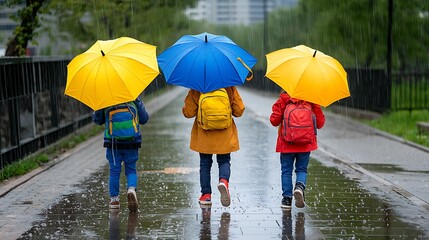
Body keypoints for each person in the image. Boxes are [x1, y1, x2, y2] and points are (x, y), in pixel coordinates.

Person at [182, 86, 245, 207]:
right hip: (224, 133)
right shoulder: (228, 85)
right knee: (224, 160)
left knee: (205, 164)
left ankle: (206, 195)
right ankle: (224, 181)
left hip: (204, 134)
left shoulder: (197, 86)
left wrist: (185, 107)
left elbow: (188, 113)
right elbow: (239, 110)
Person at [270, 90, 325, 209]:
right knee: (301, 169)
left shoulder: (284, 99)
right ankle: (299, 187)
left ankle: (286, 199)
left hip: (286, 143)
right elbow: (320, 124)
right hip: (305, 144)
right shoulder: (311, 100)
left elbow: (273, 121)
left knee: (286, 171)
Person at [92, 97, 149, 212]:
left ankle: (114, 200)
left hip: (113, 144)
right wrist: (138, 102)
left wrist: (99, 107)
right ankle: (131, 189)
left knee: (114, 171)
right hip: (132, 141)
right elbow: (144, 119)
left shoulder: (105, 100)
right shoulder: (133, 98)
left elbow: (97, 120)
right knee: (131, 170)